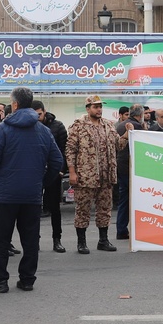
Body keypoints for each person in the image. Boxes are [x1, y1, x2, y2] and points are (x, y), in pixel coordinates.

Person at [0, 87, 64, 293]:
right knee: (30, 239)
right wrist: (42, 182)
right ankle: (27, 279)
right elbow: (57, 161)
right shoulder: (43, 131)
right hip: (32, 194)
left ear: (15, 105)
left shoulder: (2, 129)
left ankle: (0, 281)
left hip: (5, 194)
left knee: (1, 239)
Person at [67, 95, 119, 255]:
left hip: (105, 175)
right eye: (95, 106)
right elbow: (70, 150)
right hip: (86, 176)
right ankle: (81, 242)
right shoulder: (78, 126)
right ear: (88, 108)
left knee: (105, 209)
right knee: (83, 209)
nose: (99, 109)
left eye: (100, 106)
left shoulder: (109, 126)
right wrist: (72, 172)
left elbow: (119, 145)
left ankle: (103, 240)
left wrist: (127, 135)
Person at [35, 100, 69, 252]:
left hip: (54, 173)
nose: (37, 117)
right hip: (35, 174)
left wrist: (61, 171)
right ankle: (34, 240)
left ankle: (57, 239)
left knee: (55, 208)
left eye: (39, 114)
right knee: (33, 209)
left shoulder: (58, 126)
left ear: (44, 111)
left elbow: (64, 150)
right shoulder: (30, 126)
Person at [114, 104, 145, 241]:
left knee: (124, 199)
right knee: (134, 199)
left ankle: (121, 229)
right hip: (131, 167)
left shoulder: (120, 125)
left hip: (121, 166)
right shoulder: (137, 127)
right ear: (140, 115)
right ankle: (131, 229)